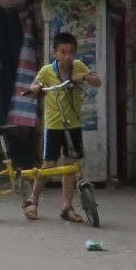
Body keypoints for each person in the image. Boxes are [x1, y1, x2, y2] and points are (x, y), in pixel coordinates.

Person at [28, 31, 100, 224]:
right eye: (63, 52)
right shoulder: (46, 71)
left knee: (69, 166)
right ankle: (33, 202)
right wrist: (35, 88)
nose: (68, 57)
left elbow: (97, 81)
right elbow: (34, 86)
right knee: (49, 165)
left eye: (71, 52)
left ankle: (67, 207)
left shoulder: (78, 66)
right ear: (55, 53)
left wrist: (85, 77)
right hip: (53, 125)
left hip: (74, 124)